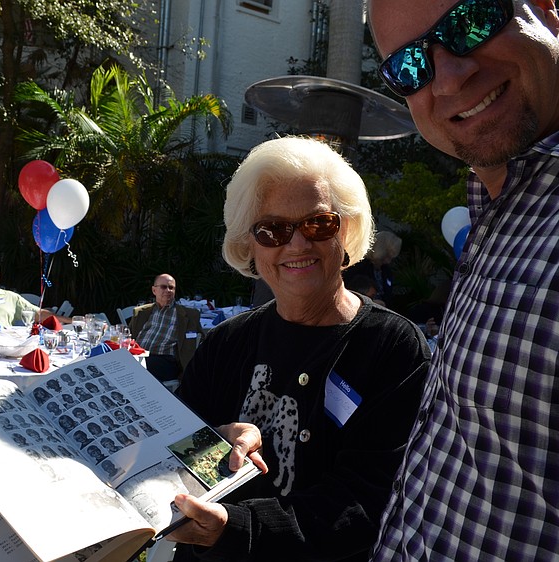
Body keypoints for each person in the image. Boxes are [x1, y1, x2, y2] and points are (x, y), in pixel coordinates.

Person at [367, 0, 559, 559]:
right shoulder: (509, 204)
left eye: (472, 21)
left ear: (545, 9)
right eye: (409, 66)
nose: (449, 78)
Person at [169, 136, 431, 560]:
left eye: (318, 224)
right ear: (250, 246)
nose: (296, 245)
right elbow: (167, 457)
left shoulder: (392, 348)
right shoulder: (225, 343)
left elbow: (366, 501)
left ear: (346, 231)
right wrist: (214, 441)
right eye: (272, 230)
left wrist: (236, 530)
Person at [128, 273, 203, 382]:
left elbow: (201, 338)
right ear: (154, 290)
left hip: (166, 360)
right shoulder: (141, 312)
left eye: (171, 288)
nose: (168, 290)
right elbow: (128, 336)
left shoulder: (187, 314)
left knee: (140, 366)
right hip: (138, 356)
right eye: (163, 287)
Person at [343, 230, 402, 307]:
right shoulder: (358, 268)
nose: (388, 261)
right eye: (387, 256)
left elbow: (388, 294)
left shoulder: (386, 270)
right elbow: (351, 291)